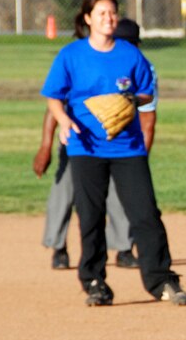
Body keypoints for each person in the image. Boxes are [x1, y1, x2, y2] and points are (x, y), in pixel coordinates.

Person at [40, 0, 186, 306]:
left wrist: (132, 100)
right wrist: (64, 121)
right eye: (102, 13)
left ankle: (162, 280)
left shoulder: (130, 55)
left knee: (146, 214)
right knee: (91, 216)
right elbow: (54, 96)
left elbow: (147, 93)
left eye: (112, 12)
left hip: (128, 147)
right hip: (85, 147)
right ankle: (95, 282)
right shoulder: (71, 55)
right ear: (87, 18)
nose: (109, 18)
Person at [32, 18, 158, 271]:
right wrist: (45, 146)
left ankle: (123, 248)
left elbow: (148, 119)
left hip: (120, 144)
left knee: (121, 194)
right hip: (79, 139)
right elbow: (56, 105)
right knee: (65, 190)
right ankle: (58, 246)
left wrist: (139, 160)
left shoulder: (140, 66)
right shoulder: (83, 59)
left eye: (131, 44)